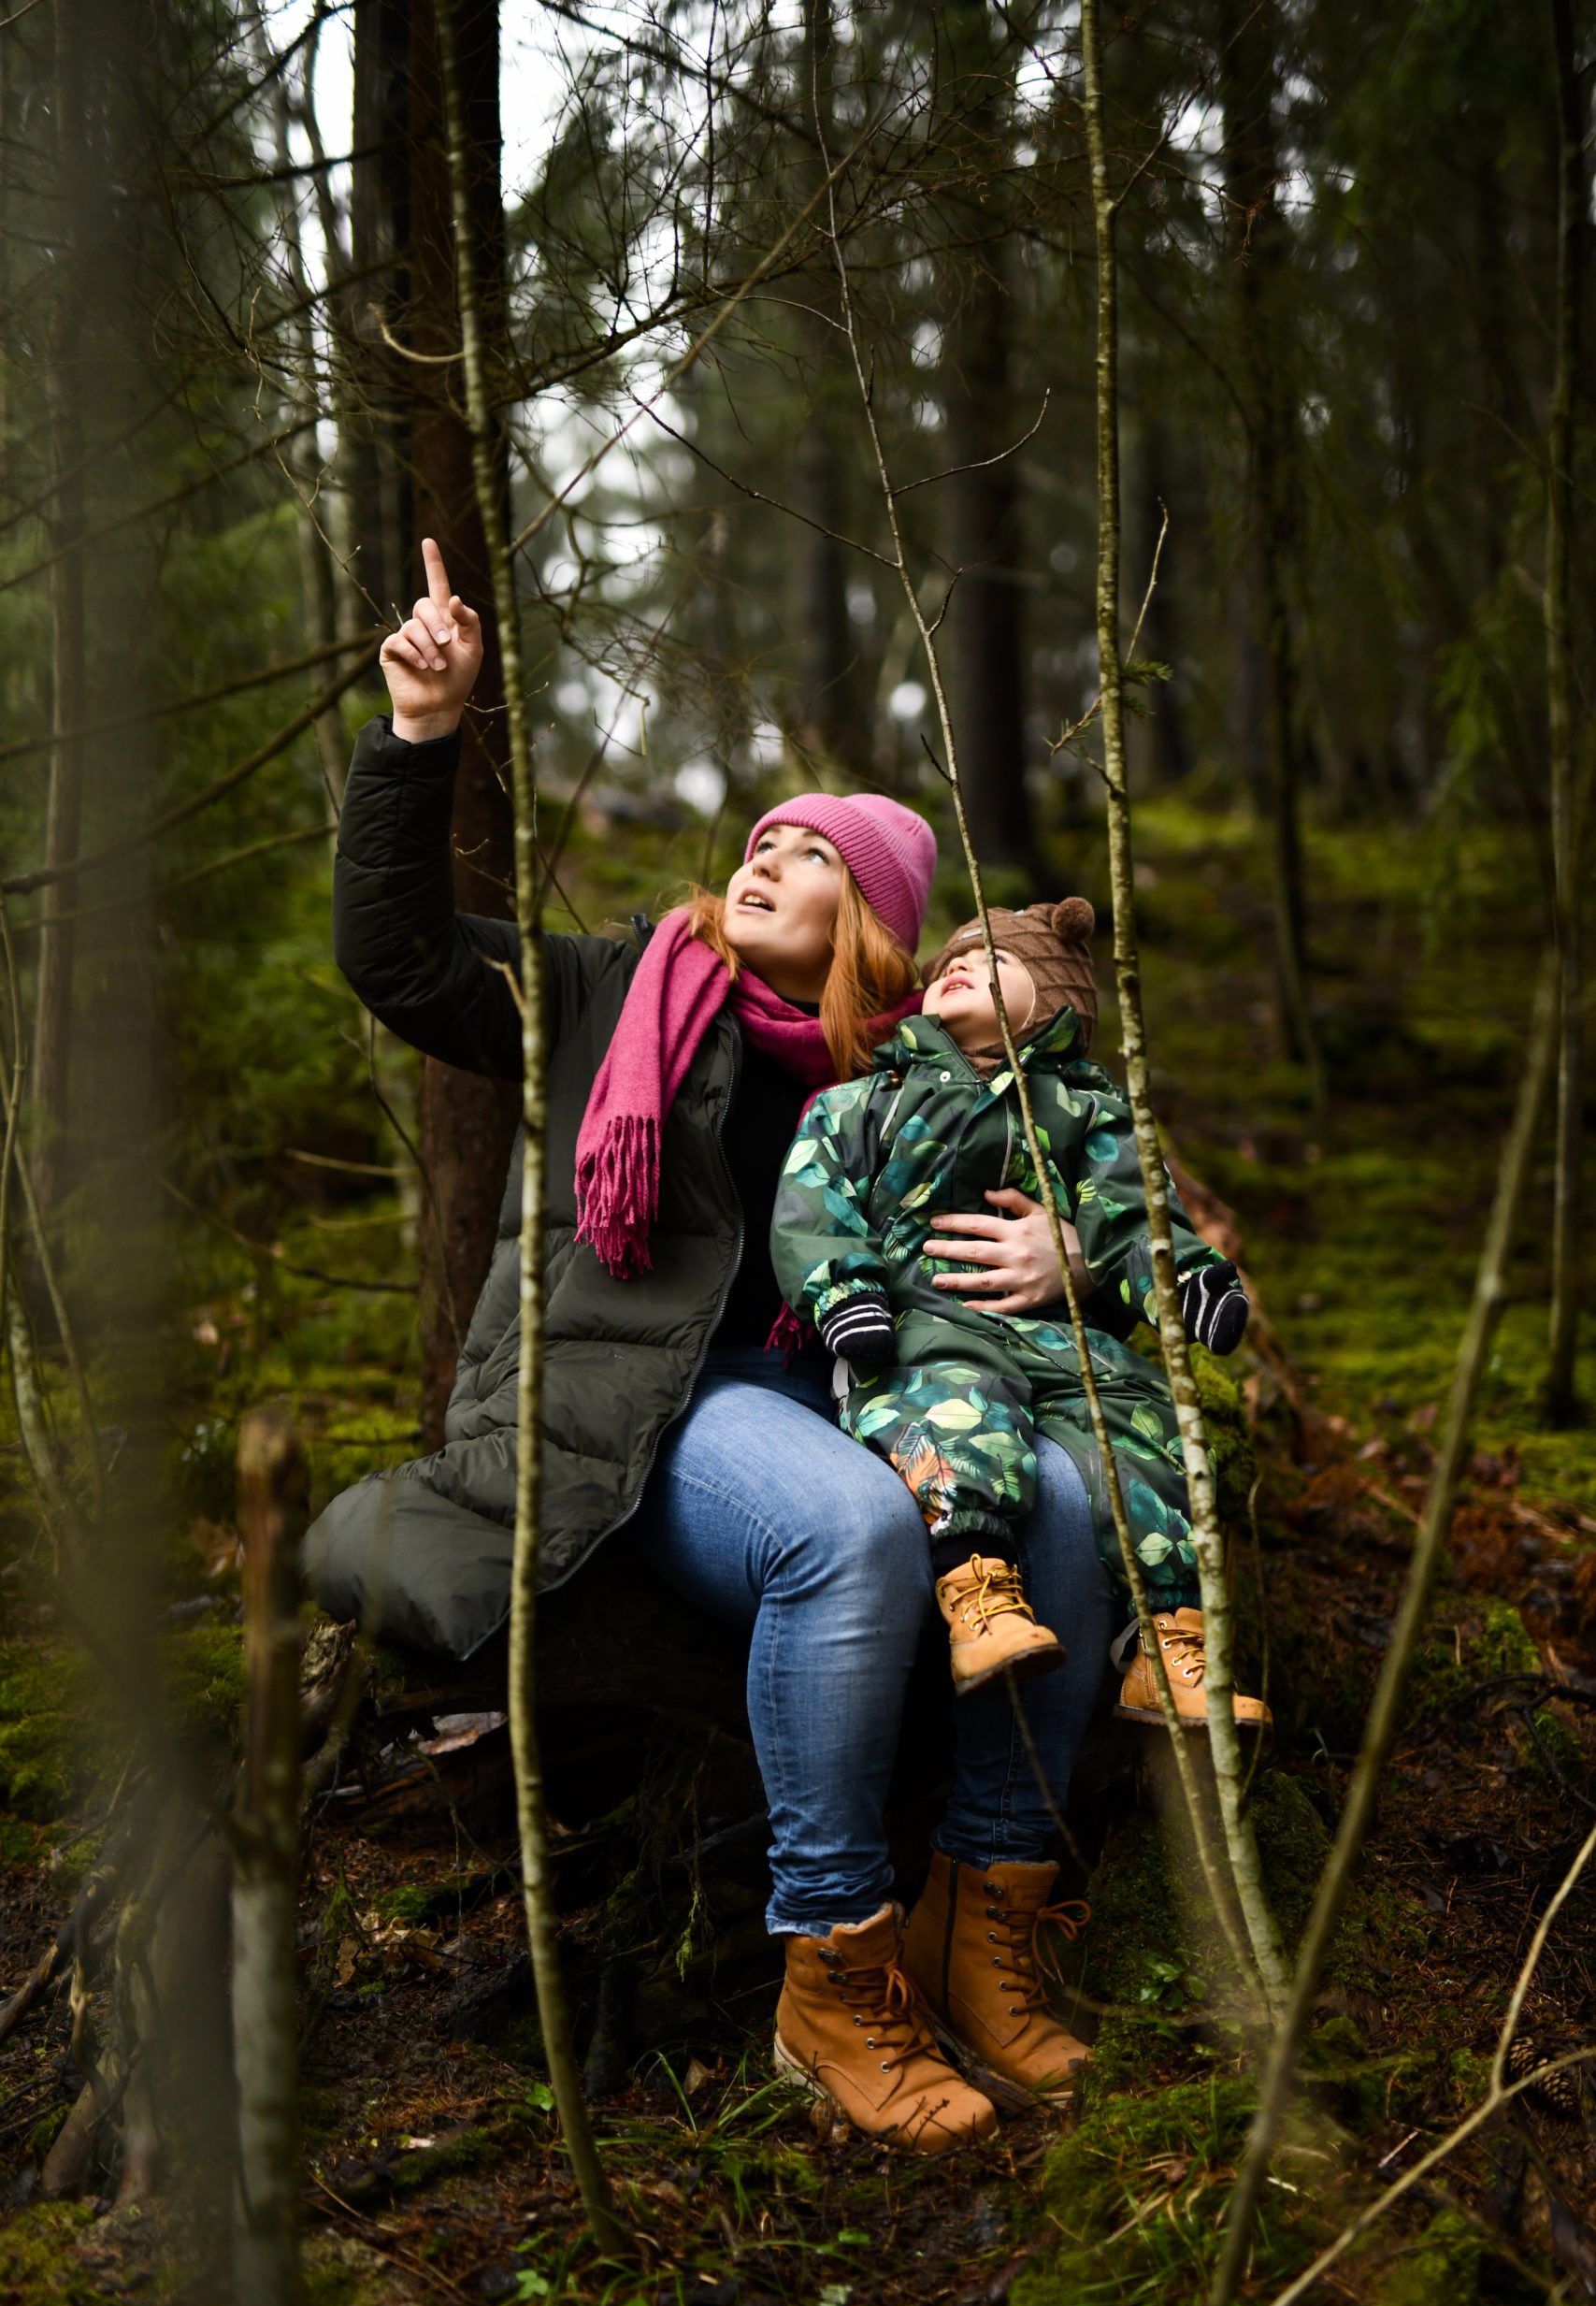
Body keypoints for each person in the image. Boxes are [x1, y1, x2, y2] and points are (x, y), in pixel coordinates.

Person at [307, 540, 1121, 2149]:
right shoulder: (613, 994)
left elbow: (1092, 1199)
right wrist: (418, 731)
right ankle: (833, 1970)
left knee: (1065, 1503)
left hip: (859, 1392)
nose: (762, 860)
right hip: (653, 1410)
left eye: (809, 853)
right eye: (761, 839)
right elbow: (396, 956)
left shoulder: (922, 1079)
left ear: (872, 920)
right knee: (847, 1530)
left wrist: (1072, 1257)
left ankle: (983, 1930)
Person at [771, 901, 1271, 1742]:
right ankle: (978, 1595)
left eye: (994, 961)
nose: (959, 966)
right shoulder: (863, 1102)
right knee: (958, 1411)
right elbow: (814, 1206)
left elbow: (1130, 1213)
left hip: (1060, 1336)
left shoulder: (1084, 1110)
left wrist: (1182, 1279)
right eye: (952, 960)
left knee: (1143, 1427)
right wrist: (844, 1296)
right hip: (923, 1322)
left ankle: (1168, 1646)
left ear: (1054, 1004)